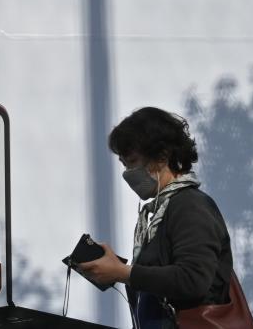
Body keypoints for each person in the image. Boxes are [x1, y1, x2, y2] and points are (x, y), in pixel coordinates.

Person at [78, 107, 233, 328]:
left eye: (132, 161)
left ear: (162, 156)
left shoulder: (189, 205)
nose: (127, 173)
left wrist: (124, 273)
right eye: (123, 164)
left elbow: (193, 279)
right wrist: (117, 269)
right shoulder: (161, 211)